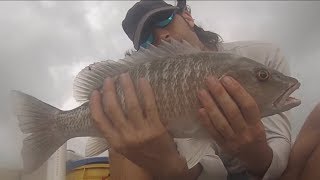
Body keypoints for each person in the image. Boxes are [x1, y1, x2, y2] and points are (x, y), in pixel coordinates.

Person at [89, 0, 293, 179]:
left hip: (263, 171)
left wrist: (253, 151)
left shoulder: (262, 55)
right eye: (147, 39)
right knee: (123, 146)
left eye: (163, 20)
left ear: (187, 16)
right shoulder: (155, 84)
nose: (163, 35)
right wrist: (168, 163)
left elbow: (278, 152)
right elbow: (209, 171)